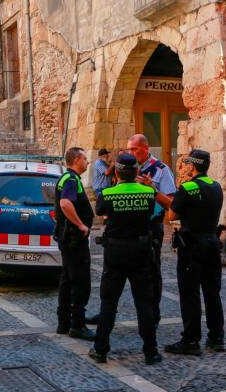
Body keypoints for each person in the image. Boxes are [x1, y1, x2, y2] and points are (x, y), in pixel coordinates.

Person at [88, 153, 162, 365]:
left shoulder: (108, 193)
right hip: (141, 251)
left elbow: (100, 211)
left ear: (117, 173)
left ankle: (101, 349)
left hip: (115, 252)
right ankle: (151, 351)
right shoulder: (148, 192)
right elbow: (154, 213)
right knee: (144, 303)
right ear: (137, 171)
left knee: (108, 303)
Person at [164, 149, 225, 356]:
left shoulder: (187, 187)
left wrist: (157, 195)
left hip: (192, 246)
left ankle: (191, 340)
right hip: (212, 242)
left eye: (187, 163)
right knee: (212, 292)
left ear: (192, 165)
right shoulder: (216, 187)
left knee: (190, 294)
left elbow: (172, 214)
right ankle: (217, 337)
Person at [126, 134, 175, 327]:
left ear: (145, 149)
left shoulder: (161, 170)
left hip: (151, 227)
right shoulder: (127, 169)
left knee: (152, 271)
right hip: (129, 227)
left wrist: (151, 187)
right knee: (120, 271)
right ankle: (109, 311)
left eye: (134, 149)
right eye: (128, 149)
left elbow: (171, 203)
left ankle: (153, 313)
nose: (130, 153)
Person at [54, 147, 95, 341]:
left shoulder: (68, 179)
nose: (87, 162)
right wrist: (81, 225)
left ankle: (64, 322)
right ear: (77, 160)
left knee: (67, 280)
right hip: (74, 239)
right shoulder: (71, 180)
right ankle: (77, 325)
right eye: (85, 159)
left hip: (68, 238)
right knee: (80, 282)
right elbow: (65, 204)